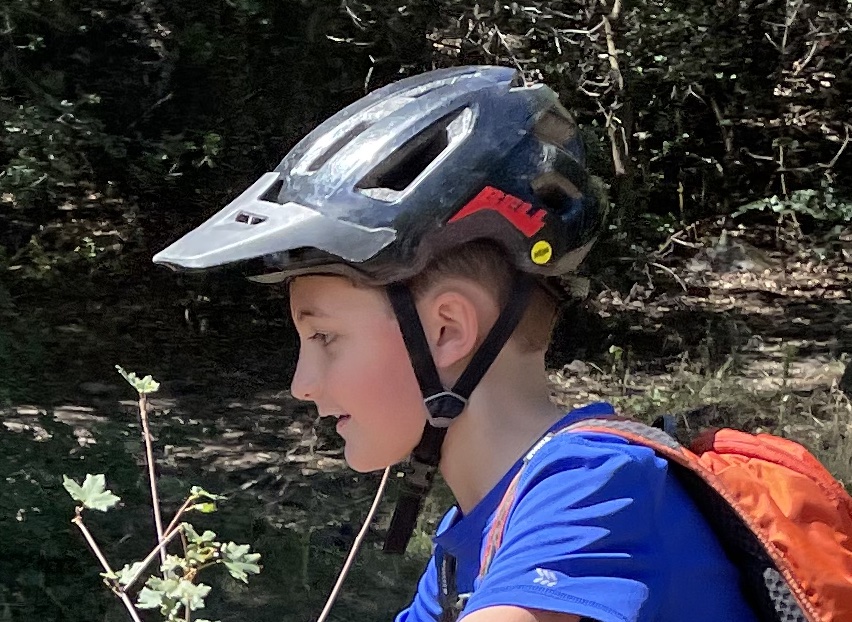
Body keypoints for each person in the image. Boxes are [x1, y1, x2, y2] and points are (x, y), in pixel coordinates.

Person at [154, 66, 759, 621]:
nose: (302, 383)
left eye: (325, 337)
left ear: (447, 331)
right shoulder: (472, 540)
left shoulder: (596, 486)